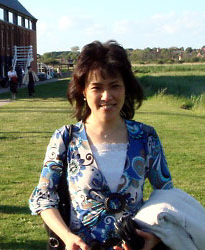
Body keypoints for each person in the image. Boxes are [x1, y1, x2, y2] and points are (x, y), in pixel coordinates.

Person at [29, 40, 173, 250]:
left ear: (126, 89)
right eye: (97, 87)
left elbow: (166, 194)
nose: (107, 96)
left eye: (115, 86)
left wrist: (156, 236)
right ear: (83, 92)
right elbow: (43, 197)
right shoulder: (65, 139)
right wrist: (67, 237)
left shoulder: (146, 137)